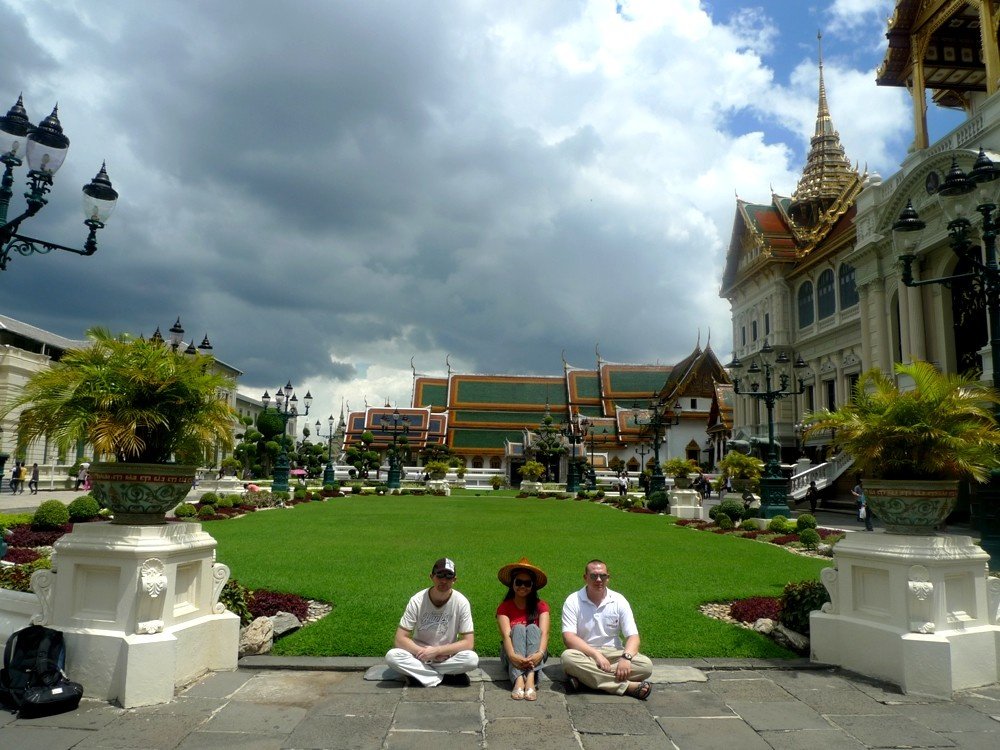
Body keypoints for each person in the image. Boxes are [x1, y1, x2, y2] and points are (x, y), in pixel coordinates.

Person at [560, 559, 653, 699]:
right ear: (585, 578)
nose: (599, 580)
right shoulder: (573, 600)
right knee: (568, 658)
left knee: (646, 666)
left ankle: (586, 680)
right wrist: (596, 655)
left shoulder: (619, 600)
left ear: (608, 578)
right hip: (586, 654)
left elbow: (633, 636)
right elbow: (569, 637)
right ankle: (626, 686)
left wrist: (626, 658)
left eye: (603, 576)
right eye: (593, 576)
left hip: (614, 653)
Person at [386, 557, 478, 687]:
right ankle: (446, 678)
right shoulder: (417, 600)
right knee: (392, 656)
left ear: (454, 580)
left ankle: (421, 676)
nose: (444, 581)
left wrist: (437, 651)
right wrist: (425, 653)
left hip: (446, 656)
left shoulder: (461, 602)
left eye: (449, 577)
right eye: (439, 576)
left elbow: (468, 643)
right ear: (431, 577)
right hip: (419, 655)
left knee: (471, 659)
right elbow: (400, 639)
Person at [496, 557, 550, 701]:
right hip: (511, 652)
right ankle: (519, 679)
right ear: (512, 584)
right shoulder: (504, 607)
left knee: (533, 627)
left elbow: (544, 633)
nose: (523, 586)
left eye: (527, 583)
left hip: (536, 653)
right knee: (518, 628)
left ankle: (530, 677)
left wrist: (540, 653)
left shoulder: (541, 606)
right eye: (519, 582)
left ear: (532, 586)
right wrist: (513, 656)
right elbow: (506, 636)